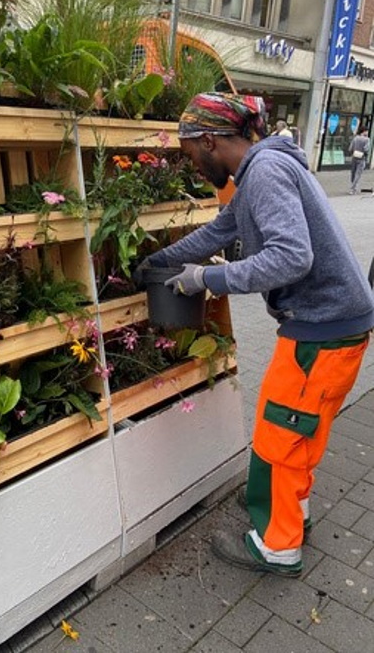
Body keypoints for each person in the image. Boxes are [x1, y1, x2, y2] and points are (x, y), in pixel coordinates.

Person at [133, 92, 374, 578]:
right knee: (301, 432)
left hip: (321, 330)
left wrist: (206, 279)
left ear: (208, 140)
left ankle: (278, 547)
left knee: (280, 435)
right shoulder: (262, 170)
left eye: (190, 154)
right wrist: (160, 263)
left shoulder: (265, 172)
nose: (194, 165)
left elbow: (292, 257)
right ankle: (293, 514)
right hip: (337, 326)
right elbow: (221, 230)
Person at [348, 126, 370, 195]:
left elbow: (350, 148)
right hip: (362, 158)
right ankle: (353, 189)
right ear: (364, 131)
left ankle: (353, 187)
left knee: (353, 173)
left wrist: (353, 153)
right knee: (358, 174)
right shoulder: (367, 140)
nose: (367, 132)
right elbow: (366, 149)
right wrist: (364, 153)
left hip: (354, 157)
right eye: (366, 131)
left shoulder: (355, 138)